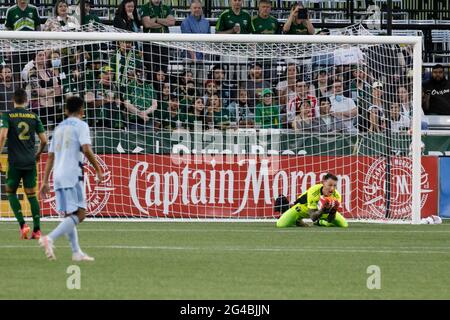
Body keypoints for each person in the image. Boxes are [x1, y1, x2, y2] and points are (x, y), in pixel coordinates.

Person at [39, 96, 104, 261]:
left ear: (66, 111)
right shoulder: (81, 125)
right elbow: (86, 149)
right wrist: (98, 169)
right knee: (80, 215)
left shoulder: (59, 128)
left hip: (58, 175)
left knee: (70, 215)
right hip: (72, 174)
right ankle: (50, 238)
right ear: (82, 110)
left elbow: (51, 157)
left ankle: (76, 252)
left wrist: (45, 181)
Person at [0, 88, 48, 240]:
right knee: (32, 195)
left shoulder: (7, 115)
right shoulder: (33, 116)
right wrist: (38, 154)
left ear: (13, 100)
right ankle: (37, 230)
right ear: (26, 101)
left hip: (14, 161)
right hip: (30, 161)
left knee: (10, 192)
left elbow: (2, 136)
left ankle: (23, 225)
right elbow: (44, 140)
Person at [275, 173, 348, 228]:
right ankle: (296, 219)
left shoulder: (337, 196)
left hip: (323, 213)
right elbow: (312, 217)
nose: (332, 189)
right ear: (323, 183)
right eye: (330, 185)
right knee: (280, 225)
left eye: (334, 185)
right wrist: (323, 209)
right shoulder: (314, 191)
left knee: (344, 225)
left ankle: (320, 222)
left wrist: (333, 211)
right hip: (303, 209)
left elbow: (330, 219)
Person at [141, 0, 175, 73]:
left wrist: (156, 19)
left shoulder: (166, 7)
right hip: (150, 44)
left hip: (164, 44)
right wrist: (164, 22)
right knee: (150, 70)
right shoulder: (145, 7)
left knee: (163, 70)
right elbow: (147, 24)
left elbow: (171, 22)